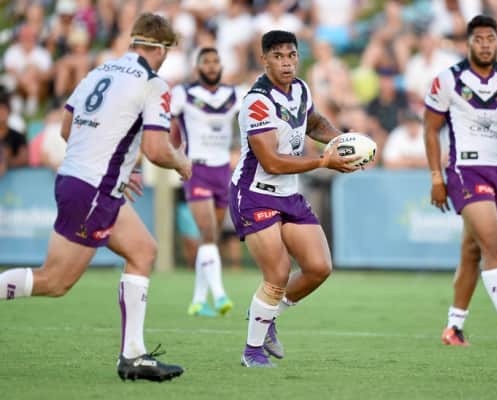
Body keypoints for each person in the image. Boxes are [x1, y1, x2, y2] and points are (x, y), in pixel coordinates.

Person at [0, 13, 191, 381]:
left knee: (143, 251)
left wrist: (118, 168)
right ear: (161, 49)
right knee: (55, 281)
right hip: (94, 189)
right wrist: (181, 162)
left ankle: (133, 356)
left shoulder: (98, 72)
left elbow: (66, 129)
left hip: (80, 180)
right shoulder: (153, 84)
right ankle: (132, 355)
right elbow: (156, 149)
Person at [230, 30, 359, 368]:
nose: (286, 63)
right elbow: (272, 162)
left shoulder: (300, 88)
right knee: (278, 273)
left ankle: (267, 315)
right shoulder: (257, 102)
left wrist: (343, 142)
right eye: (278, 56)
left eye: (291, 55)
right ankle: (252, 352)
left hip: (288, 193)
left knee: (318, 268)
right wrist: (324, 161)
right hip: (255, 194)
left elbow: (313, 122)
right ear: (264, 60)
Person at [423, 15, 497, 347]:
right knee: (494, 243)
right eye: (478, 39)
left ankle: (453, 327)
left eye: (490, 38)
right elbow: (430, 129)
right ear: (468, 43)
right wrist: (436, 176)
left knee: (472, 250)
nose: (485, 44)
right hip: (465, 169)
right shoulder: (448, 80)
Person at [170, 47, 238, 318]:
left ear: (221, 66)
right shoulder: (183, 93)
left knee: (211, 238)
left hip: (223, 170)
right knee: (208, 233)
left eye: (215, 61)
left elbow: (251, 123)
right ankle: (220, 295)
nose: (211, 66)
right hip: (196, 168)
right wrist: (175, 154)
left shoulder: (233, 94)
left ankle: (198, 300)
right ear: (197, 67)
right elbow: (165, 124)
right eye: (206, 62)